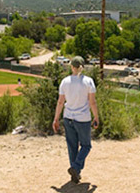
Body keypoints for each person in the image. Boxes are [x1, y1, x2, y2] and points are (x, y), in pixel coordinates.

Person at [52, 56, 99, 184]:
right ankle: (76, 167)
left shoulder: (65, 81)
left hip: (68, 118)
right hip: (83, 119)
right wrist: (96, 116)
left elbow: (60, 102)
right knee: (86, 145)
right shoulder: (88, 81)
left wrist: (56, 119)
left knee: (72, 146)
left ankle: (75, 174)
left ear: (71, 66)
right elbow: (92, 102)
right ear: (82, 67)